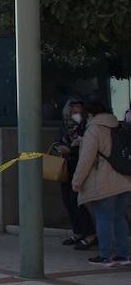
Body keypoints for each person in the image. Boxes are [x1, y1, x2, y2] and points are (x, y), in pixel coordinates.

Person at [71, 99, 131, 266]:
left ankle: (105, 255)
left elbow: (86, 159)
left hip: (104, 182)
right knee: (120, 219)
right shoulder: (118, 126)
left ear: (90, 114)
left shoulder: (94, 130)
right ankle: (123, 254)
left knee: (103, 218)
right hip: (125, 180)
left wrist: (77, 181)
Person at [56, 99, 96, 250]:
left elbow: (88, 149)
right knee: (68, 201)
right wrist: (61, 147)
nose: (76, 115)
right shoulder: (65, 126)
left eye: (78, 111)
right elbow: (58, 141)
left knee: (77, 201)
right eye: (73, 112)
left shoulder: (88, 126)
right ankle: (78, 232)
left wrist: (72, 150)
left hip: (80, 166)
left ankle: (90, 234)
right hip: (66, 167)